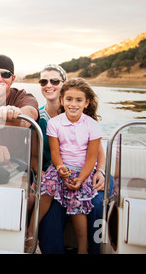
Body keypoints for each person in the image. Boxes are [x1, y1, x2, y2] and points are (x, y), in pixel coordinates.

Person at [35, 65, 112, 254]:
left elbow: (97, 152)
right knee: (51, 211)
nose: (49, 85)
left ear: (64, 84)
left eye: (55, 81)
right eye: (44, 81)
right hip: (55, 174)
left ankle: (93, 250)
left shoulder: (85, 118)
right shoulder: (37, 117)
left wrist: (100, 172)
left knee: (96, 204)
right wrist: (41, 173)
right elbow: (32, 154)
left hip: (86, 171)